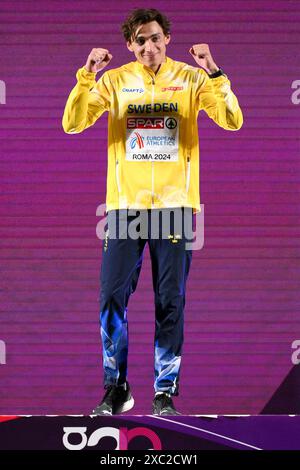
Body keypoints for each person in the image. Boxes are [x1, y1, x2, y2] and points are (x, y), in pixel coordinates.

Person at [62, 8, 243, 416]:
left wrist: (213, 70)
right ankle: (116, 387)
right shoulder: (114, 80)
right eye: (140, 40)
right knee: (111, 297)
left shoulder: (192, 78)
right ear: (130, 45)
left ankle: (164, 391)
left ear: (167, 40)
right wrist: (86, 74)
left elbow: (232, 120)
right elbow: (72, 123)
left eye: (156, 38)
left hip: (175, 208)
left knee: (170, 301)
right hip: (125, 207)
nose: (149, 46)